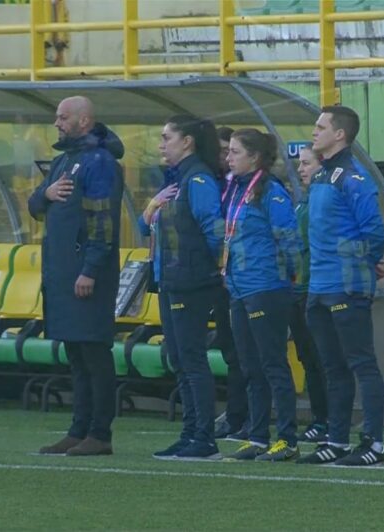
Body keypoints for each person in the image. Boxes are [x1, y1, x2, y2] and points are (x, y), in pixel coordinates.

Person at [295, 106, 384, 467]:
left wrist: (362, 265)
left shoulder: (353, 176)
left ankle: (374, 444)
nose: (314, 131)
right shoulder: (322, 176)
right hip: (318, 286)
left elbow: (374, 231)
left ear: (340, 135)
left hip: (345, 286)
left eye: (321, 127)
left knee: (362, 363)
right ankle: (335, 440)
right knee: (332, 367)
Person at [33, 96, 124, 456]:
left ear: (84, 121)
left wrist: (90, 269)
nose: (56, 123)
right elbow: (35, 205)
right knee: (77, 355)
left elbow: (103, 222)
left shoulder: (100, 162)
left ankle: (100, 434)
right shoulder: (63, 161)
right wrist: (46, 192)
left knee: (94, 353)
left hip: (85, 274)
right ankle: (78, 429)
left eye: (63, 117)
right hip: (62, 274)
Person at [142, 115, 226, 461]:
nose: (161, 144)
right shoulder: (178, 180)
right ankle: (190, 433)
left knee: (191, 359)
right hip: (171, 280)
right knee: (178, 358)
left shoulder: (199, 179)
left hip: (191, 282)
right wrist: (152, 207)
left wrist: (211, 269)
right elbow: (149, 227)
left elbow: (215, 231)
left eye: (167, 137)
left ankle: (204, 437)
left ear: (187, 141)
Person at [220, 129, 302, 461]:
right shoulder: (237, 190)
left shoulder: (271, 191)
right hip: (239, 288)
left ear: (254, 157)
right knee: (250, 366)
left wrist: (286, 278)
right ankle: (257, 437)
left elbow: (289, 239)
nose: (228, 157)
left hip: (266, 288)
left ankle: (287, 439)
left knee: (272, 364)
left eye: (235, 152)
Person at [211, 125, 250, 441]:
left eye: (232, 151)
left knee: (245, 352)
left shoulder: (255, 189)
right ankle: (237, 413)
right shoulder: (219, 185)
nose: (226, 157)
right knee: (231, 349)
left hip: (247, 281)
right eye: (224, 151)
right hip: (224, 278)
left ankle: (243, 416)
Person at [292, 145, 329, 443]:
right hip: (299, 288)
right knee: (308, 358)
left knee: (321, 358)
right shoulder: (303, 202)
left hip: (316, 288)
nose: (300, 169)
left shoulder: (321, 200)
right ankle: (320, 418)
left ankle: (327, 420)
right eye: (299, 164)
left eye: (306, 163)